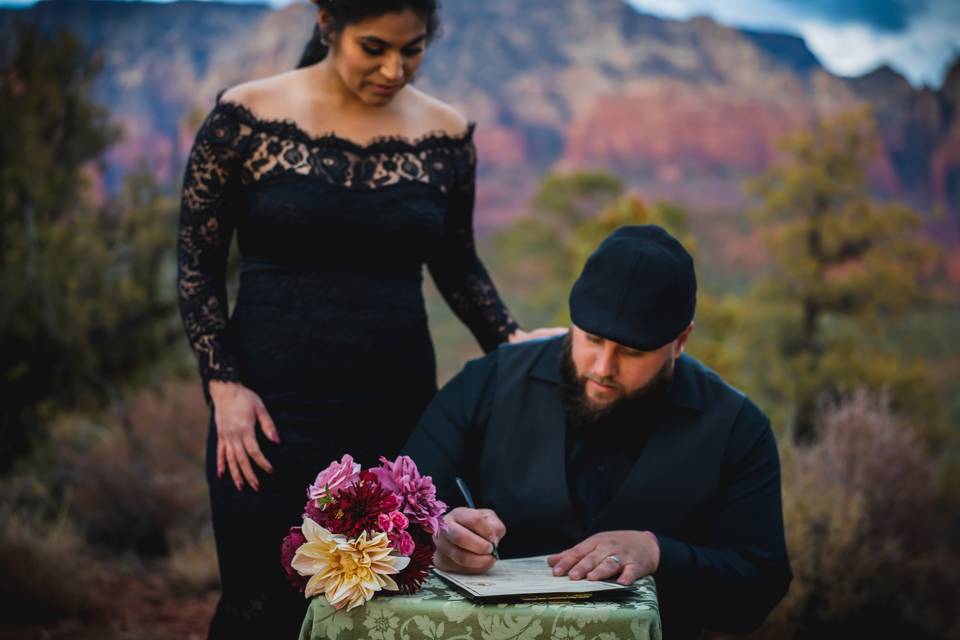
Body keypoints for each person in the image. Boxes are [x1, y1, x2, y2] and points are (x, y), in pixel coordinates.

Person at [177, 1, 558, 636]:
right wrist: (224, 387)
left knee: (385, 608)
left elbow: (457, 264)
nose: (394, 69)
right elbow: (197, 265)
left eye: (412, 50)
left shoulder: (446, 135)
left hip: (395, 414)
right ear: (327, 22)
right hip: (269, 416)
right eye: (374, 47)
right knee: (260, 602)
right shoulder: (244, 118)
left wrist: (511, 340)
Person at [403, 225, 793, 639]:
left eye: (632, 352)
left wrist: (659, 552)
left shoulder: (737, 427)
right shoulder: (486, 384)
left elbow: (759, 586)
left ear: (680, 341)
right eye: (592, 339)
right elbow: (398, 513)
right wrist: (440, 535)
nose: (604, 367)